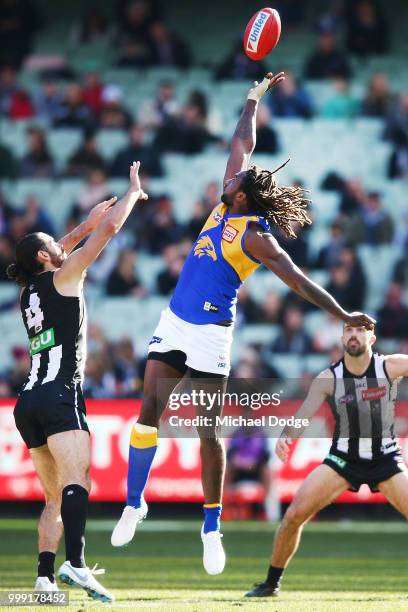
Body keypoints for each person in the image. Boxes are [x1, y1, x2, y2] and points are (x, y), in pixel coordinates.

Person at [111, 72, 374, 576]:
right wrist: (253, 99)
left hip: (211, 334)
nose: (229, 177)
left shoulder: (255, 237)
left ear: (242, 197)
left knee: (208, 431)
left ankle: (211, 528)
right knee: (148, 412)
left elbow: (296, 280)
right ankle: (133, 503)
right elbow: (242, 141)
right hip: (176, 322)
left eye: (234, 180)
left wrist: (342, 314)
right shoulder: (222, 206)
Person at [9, 161, 148, 601]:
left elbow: (64, 244)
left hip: (28, 400)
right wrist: (130, 197)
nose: (62, 244)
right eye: (56, 245)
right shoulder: (65, 277)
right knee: (78, 480)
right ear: (48, 259)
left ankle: (45, 579)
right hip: (58, 394)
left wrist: (81, 225)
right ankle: (77, 564)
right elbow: (105, 236)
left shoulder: (29, 289)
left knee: (54, 498)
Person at [245, 317, 408, 598]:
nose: (354, 334)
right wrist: (286, 437)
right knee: (294, 515)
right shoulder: (328, 378)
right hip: (344, 460)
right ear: (342, 339)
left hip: (385, 459)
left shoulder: (390, 365)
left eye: (361, 330)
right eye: (349, 330)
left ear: (372, 338)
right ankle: (271, 584)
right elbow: (304, 414)